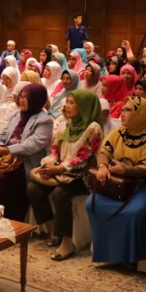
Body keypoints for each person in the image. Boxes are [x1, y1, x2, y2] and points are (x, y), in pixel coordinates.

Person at [27, 89, 103, 260]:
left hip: (82, 177)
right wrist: (48, 163)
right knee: (33, 188)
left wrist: (59, 168)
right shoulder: (66, 125)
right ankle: (53, 229)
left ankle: (67, 242)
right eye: (66, 102)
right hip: (61, 173)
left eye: (72, 103)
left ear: (84, 106)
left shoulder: (93, 128)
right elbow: (54, 150)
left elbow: (84, 158)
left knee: (60, 193)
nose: (66, 106)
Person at [87, 97, 146, 265]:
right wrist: (103, 167)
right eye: (122, 109)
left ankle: (128, 258)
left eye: (128, 110)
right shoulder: (118, 133)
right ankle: (106, 254)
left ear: (141, 114)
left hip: (145, 186)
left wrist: (126, 170)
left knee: (131, 212)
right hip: (118, 183)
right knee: (92, 203)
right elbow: (104, 153)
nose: (122, 113)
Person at [0, 83, 52, 222]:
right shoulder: (16, 114)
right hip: (6, 159)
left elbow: (33, 144)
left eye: (27, 98)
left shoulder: (44, 121)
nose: (22, 100)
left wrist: (8, 149)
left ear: (36, 99)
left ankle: (2, 219)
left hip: (24, 162)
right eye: (21, 97)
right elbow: (3, 133)